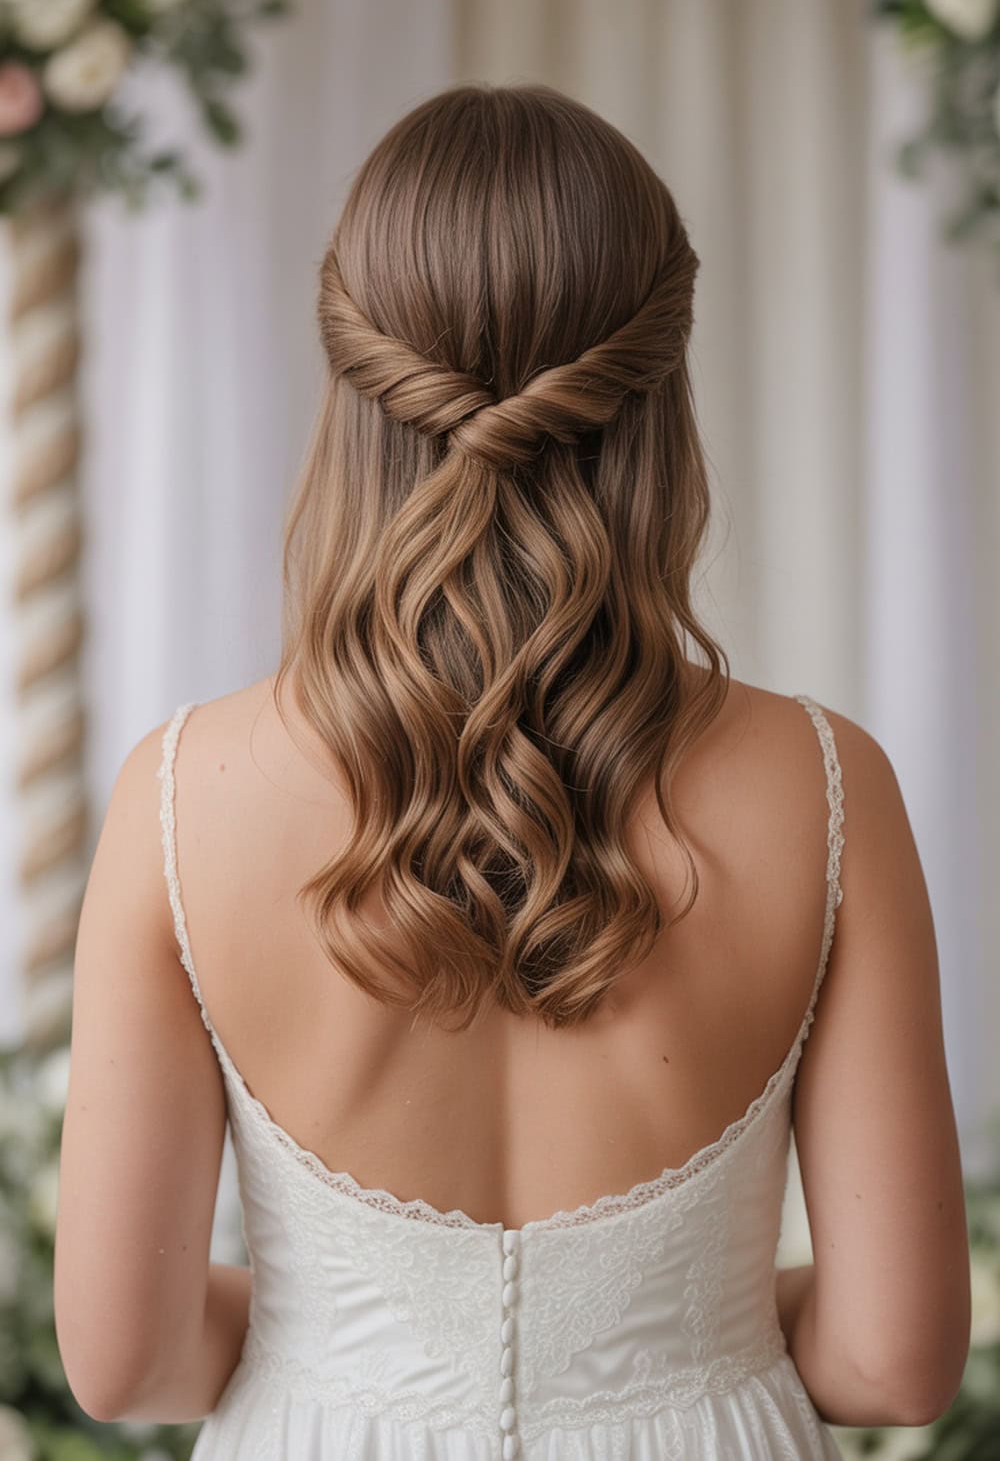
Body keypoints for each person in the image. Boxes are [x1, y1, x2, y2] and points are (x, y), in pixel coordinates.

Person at [54, 84, 970, 1458]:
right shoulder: (827, 786)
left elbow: (124, 1362)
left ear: (353, 384)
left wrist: (341, 1341)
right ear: (657, 390)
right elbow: (895, 1362)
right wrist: (685, 1336)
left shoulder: (183, 793)